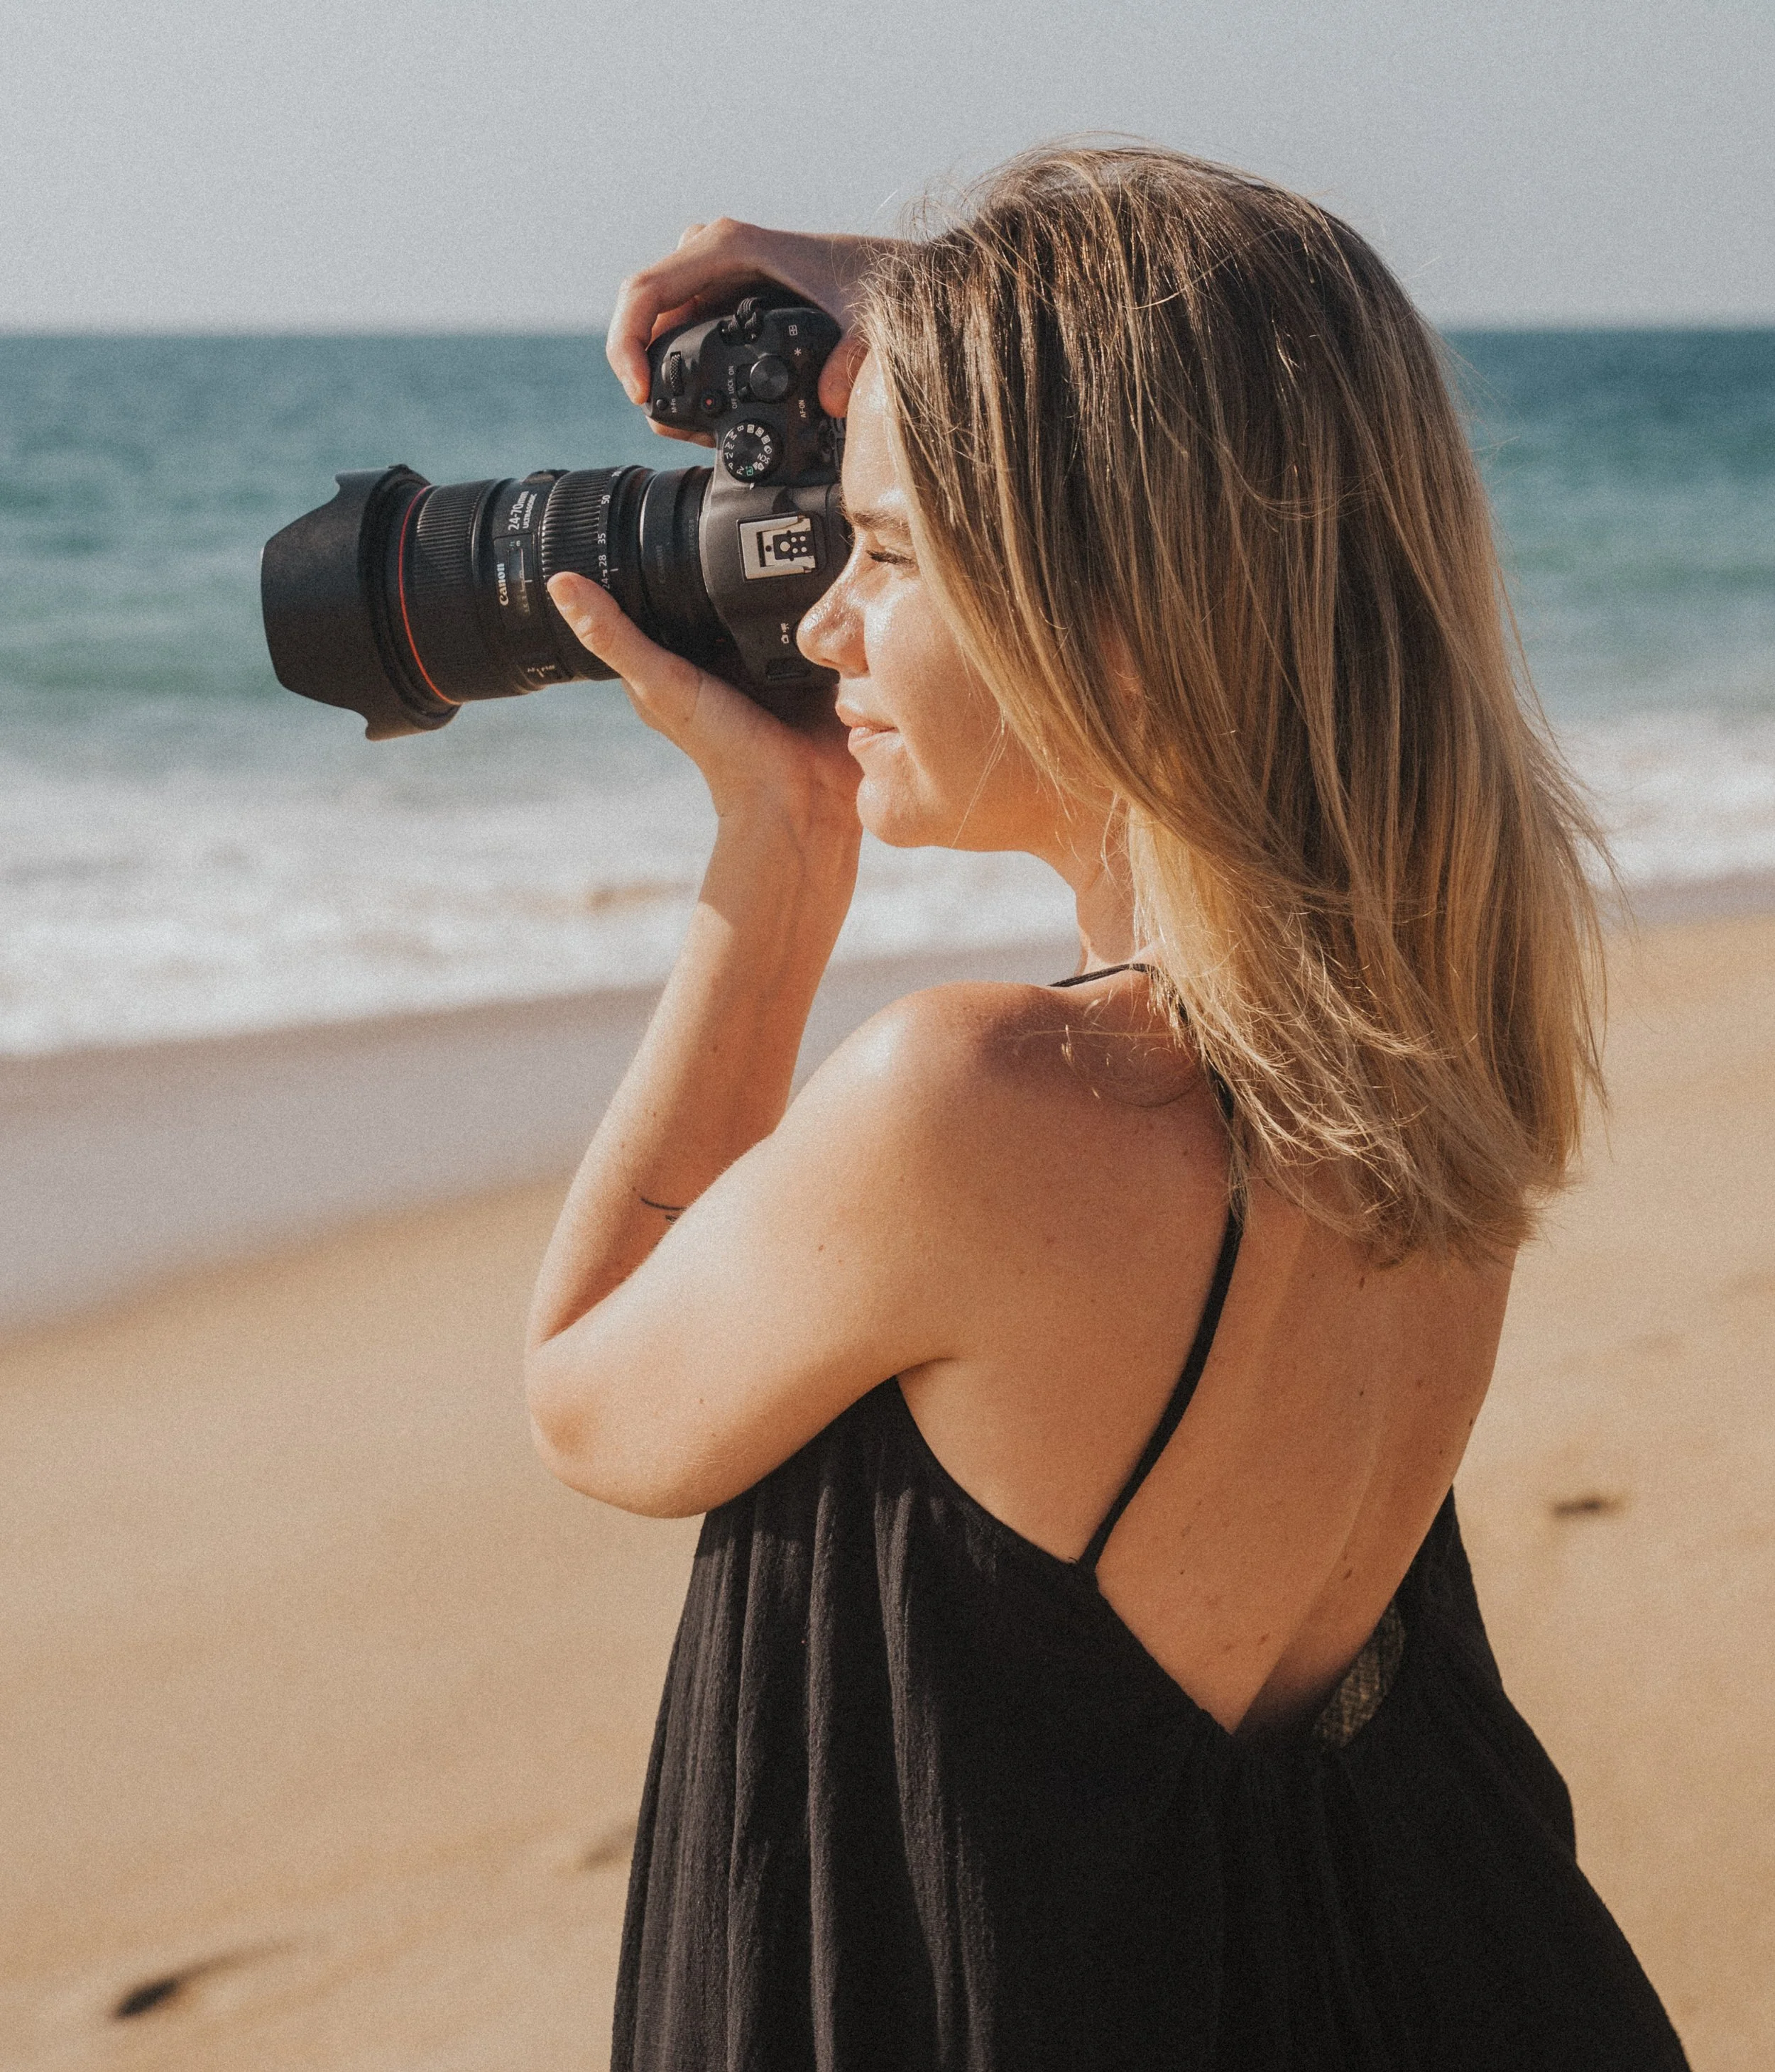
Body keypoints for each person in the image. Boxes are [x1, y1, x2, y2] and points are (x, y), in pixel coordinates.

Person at [525, 149, 1688, 2070]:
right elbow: (1269, 380)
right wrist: (923, 294)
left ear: (1111, 610)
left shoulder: (978, 1104)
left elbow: (590, 1397)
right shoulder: (1433, 1019)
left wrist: (775, 857)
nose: (820, 626)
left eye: (886, 553)